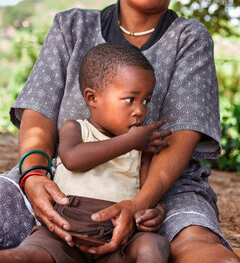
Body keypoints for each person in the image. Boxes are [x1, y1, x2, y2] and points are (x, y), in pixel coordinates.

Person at [0, 0, 239, 262]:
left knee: (198, 248)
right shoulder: (71, 27)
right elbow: (38, 113)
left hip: (161, 189)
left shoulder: (189, 38)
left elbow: (184, 135)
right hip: (62, 179)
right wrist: (34, 175)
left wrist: (141, 205)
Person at [0, 43, 171, 262]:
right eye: (130, 99)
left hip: (120, 237)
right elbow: (73, 159)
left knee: (154, 245)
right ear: (92, 98)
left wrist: (156, 212)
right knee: (30, 254)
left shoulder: (142, 150)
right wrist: (129, 142)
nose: (140, 110)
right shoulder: (77, 129)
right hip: (64, 230)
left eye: (146, 101)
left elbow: (152, 193)